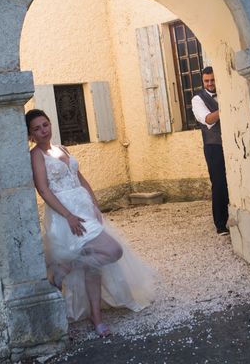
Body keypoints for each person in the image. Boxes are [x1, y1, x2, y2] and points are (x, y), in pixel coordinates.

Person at [26, 109, 156, 337]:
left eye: (45, 125)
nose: (43, 131)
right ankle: (67, 270)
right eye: (36, 128)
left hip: (85, 210)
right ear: (30, 134)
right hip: (65, 215)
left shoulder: (61, 148)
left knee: (94, 265)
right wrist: (68, 215)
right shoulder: (36, 155)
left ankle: (94, 315)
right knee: (113, 250)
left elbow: (80, 178)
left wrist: (95, 205)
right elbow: (43, 190)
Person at [191, 67, 230, 235]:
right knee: (219, 184)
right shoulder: (197, 99)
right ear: (203, 81)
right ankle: (220, 224)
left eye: (213, 80)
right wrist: (226, 108)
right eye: (206, 81)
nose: (210, 83)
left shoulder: (226, 92)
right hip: (213, 146)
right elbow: (208, 119)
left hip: (232, 143)